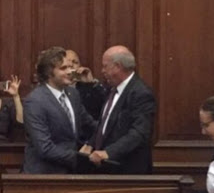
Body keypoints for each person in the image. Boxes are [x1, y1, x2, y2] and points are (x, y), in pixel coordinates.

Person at [22, 46, 96, 174]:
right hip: (45, 175)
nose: (70, 71)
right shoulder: (35, 101)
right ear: (48, 73)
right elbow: (44, 148)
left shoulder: (73, 95)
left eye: (70, 67)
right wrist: (80, 158)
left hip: (71, 172)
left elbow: (90, 124)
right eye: (63, 68)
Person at [87, 45, 156, 174]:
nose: (102, 71)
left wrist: (108, 153)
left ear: (117, 66)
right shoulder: (112, 89)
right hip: (106, 169)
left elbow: (139, 133)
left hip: (128, 171)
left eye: (105, 66)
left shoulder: (140, 93)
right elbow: (105, 124)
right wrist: (90, 144)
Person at [65, 49, 109, 120]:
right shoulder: (55, 88)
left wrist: (91, 83)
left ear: (80, 66)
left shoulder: (89, 86)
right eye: (67, 62)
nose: (71, 65)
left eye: (75, 62)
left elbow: (106, 107)